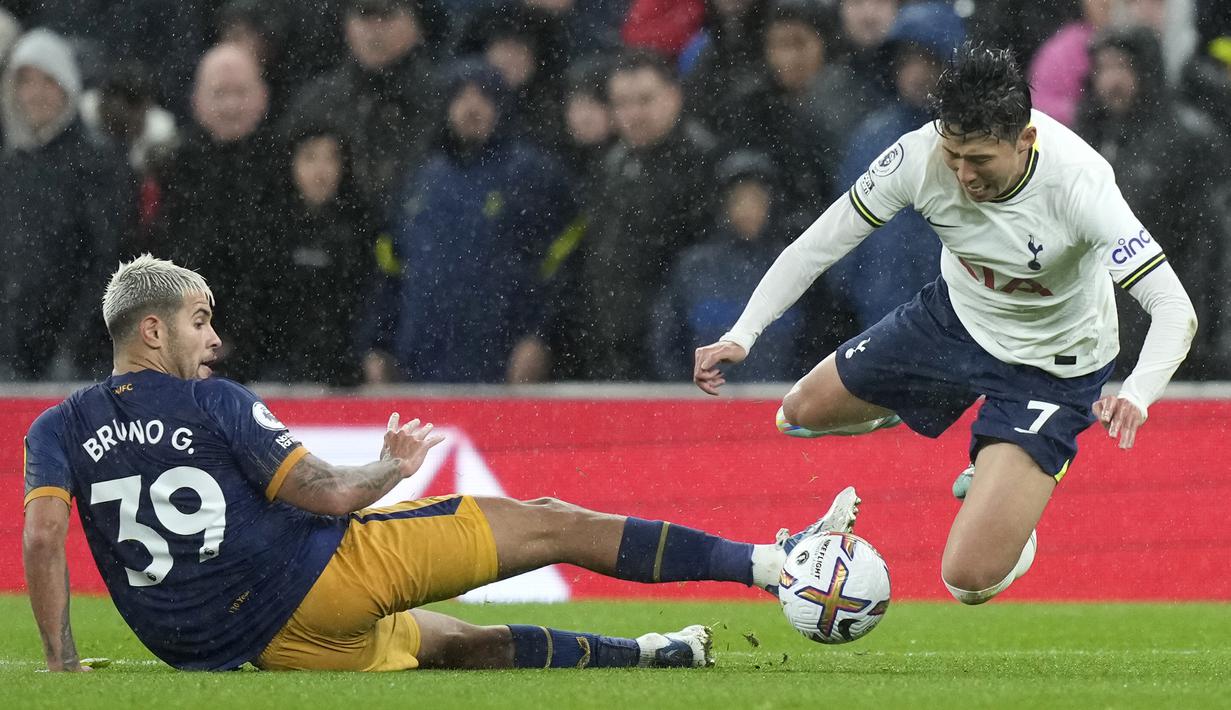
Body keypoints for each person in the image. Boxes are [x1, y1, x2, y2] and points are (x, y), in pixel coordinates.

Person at [22, 254, 861, 672]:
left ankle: (654, 655)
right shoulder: (213, 401)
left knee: (458, 646)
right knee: (549, 523)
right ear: (153, 331)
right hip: (316, 583)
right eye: (200, 321)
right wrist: (389, 470)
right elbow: (324, 495)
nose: (213, 339)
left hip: (252, 649)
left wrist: (61, 664)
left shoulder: (56, 428)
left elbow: (43, 540)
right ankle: (774, 563)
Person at [693, 45, 1197, 606]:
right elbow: (819, 245)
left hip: (1054, 368)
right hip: (953, 323)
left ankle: (1009, 511)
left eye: (980, 160)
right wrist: (744, 331)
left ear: (1025, 140)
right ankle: (926, 407)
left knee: (968, 582)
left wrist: (1139, 392)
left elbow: (1175, 309)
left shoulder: (1082, 185)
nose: (962, 175)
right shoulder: (918, 157)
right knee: (797, 415)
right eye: (954, 154)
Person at [0, 28, 136, 381]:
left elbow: (108, 262)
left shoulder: (98, 163)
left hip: (76, 358)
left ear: (68, 87)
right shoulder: (10, 168)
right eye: (25, 82)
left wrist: (73, 346)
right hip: (12, 354)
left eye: (48, 81)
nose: (35, 94)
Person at [156, 43, 277, 383]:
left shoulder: (286, 169)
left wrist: (243, 336)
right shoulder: (171, 170)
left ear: (263, 96)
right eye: (219, 93)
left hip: (270, 356)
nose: (230, 105)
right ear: (196, 100)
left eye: (241, 92)